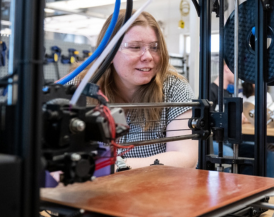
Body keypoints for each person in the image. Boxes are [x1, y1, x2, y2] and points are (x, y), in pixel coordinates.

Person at [77, 10, 197, 170]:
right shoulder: (80, 88)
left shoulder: (174, 88)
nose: (148, 56)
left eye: (155, 47)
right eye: (135, 47)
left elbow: (184, 158)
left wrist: (114, 166)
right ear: (108, 52)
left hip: (157, 190)